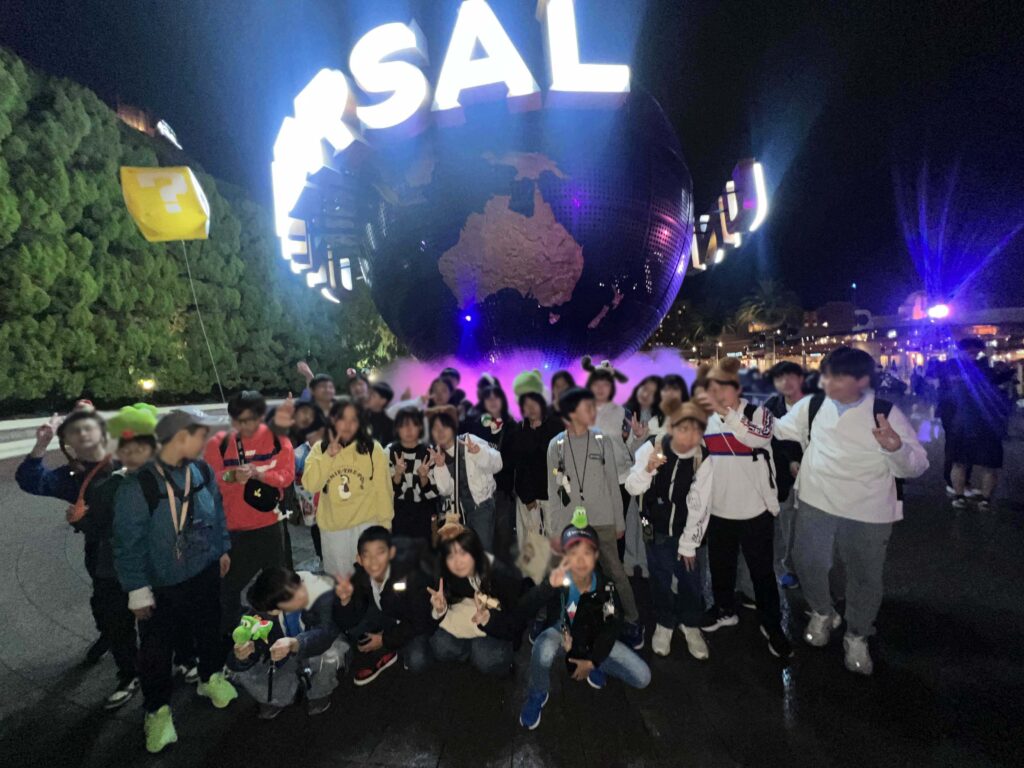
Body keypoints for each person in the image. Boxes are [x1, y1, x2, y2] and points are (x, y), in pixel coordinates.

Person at [774, 347, 929, 675]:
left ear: (861, 380)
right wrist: (737, 415)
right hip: (816, 500)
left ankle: (857, 634)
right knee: (808, 562)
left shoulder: (884, 412)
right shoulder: (813, 405)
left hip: (868, 509)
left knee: (864, 574)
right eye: (826, 376)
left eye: (837, 377)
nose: (827, 383)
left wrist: (896, 448)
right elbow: (779, 428)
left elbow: (916, 466)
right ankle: (822, 611)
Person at [113, 407, 237, 754]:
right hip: (161, 584)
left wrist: (222, 548)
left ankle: (210, 676)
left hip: (204, 570)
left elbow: (217, 512)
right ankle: (157, 711)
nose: (206, 442)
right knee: (156, 650)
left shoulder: (201, 470)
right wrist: (137, 590)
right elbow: (127, 544)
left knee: (209, 628)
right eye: (200, 436)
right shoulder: (138, 485)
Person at [16, 403, 146, 710]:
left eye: (88, 427)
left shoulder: (131, 458)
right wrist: (41, 445)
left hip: (143, 551)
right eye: (74, 433)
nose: (83, 436)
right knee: (110, 612)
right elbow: (32, 480)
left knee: (154, 613)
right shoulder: (74, 475)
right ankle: (128, 669)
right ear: (68, 444)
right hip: (103, 556)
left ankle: (177, 661)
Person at [694, 357, 790, 659]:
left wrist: (728, 415)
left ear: (736, 388)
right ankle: (725, 609)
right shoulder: (706, 421)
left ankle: (772, 623)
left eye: (723, 387)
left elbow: (759, 437)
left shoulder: (759, 413)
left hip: (755, 511)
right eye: (712, 388)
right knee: (721, 568)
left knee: (762, 573)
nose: (717, 394)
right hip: (720, 511)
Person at [518, 513, 651, 730]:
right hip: (561, 632)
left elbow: (611, 626)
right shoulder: (559, 578)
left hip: (593, 638)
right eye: (573, 553)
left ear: (596, 555)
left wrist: (593, 660)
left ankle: (592, 662)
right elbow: (524, 608)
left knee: (642, 676)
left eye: (586, 553)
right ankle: (538, 692)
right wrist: (547, 587)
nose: (580, 561)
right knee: (542, 648)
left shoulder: (606, 588)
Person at [547, 388, 644, 650]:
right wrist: (555, 531)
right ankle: (574, 620)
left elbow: (613, 484)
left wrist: (619, 523)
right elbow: (554, 492)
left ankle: (633, 619)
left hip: (602, 520)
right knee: (572, 574)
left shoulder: (601, 440)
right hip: (571, 526)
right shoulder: (555, 446)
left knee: (615, 571)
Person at [205, 391, 295, 641]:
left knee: (277, 587)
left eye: (251, 419)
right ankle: (233, 637)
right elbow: (210, 481)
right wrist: (232, 476)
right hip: (235, 529)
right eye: (239, 420)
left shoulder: (277, 439)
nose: (245, 426)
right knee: (228, 588)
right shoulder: (218, 443)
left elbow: (287, 475)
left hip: (270, 526)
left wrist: (260, 474)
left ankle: (277, 637)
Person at [625, 400, 712, 660]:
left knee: (690, 579)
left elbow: (701, 504)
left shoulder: (702, 457)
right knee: (659, 577)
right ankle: (664, 623)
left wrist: (688, 545)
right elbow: (632, 486)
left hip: (688, 529)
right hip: (653, 526)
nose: (687, 437)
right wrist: (648, 470)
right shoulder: (654, 446)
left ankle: (690, 623)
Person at [228, 567, 346, 718]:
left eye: (274, 611)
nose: (269, 614)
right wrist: (242, 656)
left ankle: (319, 691)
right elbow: (250, 638)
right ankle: (277, 696)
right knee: (241, 668)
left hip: (314, 648)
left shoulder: (324, 592)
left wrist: (295, 644)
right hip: (282, 655)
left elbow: (326, 633)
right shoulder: (267, 600)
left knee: (331, 654)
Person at [301, 398, 394, 577]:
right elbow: (310, 484)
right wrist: (328, 457)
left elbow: (383, 491)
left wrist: (385, 526)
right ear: (333, 420)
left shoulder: (372, 448)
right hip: (334, 530)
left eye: (354, 419)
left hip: (367, 525)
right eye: (342, 419)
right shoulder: (320, 449)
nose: (348, 425)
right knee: (341, 583)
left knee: (372, 579)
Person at [332, 526, 436, 683]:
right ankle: (389, 648)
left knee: (417, 660)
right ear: (359, 559)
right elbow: (346, 621)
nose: (374, 562)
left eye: (380, 553)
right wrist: (344, 601)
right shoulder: (360, 575)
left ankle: (391, 648)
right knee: (353, 628)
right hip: (388, 615)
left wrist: (384, 639)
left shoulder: (411, 573)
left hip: (412, 621)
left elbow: (420, 620)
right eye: (367, 555)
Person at [426, 524, 522, 676]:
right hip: (469, 623)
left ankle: (498, 661)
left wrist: (489, 620)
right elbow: (428, 620)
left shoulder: (500, 573)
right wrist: (440, 609)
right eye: (450, 556)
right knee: (440, 644)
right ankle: (469, 651)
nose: (457, 562)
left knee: (485, 656)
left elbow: (516, 625)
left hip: (498, 628)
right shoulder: (447, 573)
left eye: (463, 552)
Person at [427, 405, 503, 551]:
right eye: (435, 429)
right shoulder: (435, 455)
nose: (440, 432)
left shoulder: (469, 440)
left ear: (452, 428)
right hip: (456, 513)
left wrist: (478, 452)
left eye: (444, 427)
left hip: (481, 506)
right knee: (461, 551)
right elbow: (445, 490)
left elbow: (498, 465)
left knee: (482, 551)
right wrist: (440, 466)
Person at [946, 338, 1010, 510]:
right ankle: (960, 495)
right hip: (966, 421)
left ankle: (984, 499)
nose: (972, 354)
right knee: (960, 462)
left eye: (975, 351)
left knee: (988, 464)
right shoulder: (954, 367)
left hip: (983, 422)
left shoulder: (984, 368)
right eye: (969, 350)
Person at [764, 361, 807, 588]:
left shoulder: (815, 405)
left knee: (812, 526)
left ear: (801, 378)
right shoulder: (772, 405)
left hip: (815, 476)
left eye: (791, 376)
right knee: (788, 525)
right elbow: (770, 439)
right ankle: (790, 568)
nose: (786, 382)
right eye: (780, 378)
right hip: (784, 478)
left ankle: (816, 571)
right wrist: (789, 460)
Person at [465, 385, 520, 562]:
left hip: (502, 491)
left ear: (503, 400)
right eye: (488, 398)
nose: (493, 401)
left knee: (502, 538)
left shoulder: (512, 426)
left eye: (496, 397)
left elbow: (512, 460)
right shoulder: (476, 427)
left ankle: (501, 574)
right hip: (480, 493)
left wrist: (491, 462)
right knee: (481, 540)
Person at [509, 387, 563, 562]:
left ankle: (556, 573)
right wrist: (527, 497)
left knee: (554, 536)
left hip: (551, 494)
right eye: (526, 405)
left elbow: (561, 461)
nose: (531, 408)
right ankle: (532, 573)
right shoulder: (519, 430)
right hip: (527, 496)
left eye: (534, 404)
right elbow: (518, 465)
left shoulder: (556, 426)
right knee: (529, 539)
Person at [387, 407, 440, 543]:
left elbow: (434, 492)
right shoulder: (390, 451)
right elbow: (386, 491)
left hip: (422, 513)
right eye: (404, 425)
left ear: (420, 427)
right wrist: (397, 474)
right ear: (397, 428)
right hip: (397, 513)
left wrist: (423, 477)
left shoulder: (429, 451)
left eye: (414, 425)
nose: (409, 430)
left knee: (422, 552)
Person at [648, 373, 689, 440]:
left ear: (683, 393)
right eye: (666, 389)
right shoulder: (654, 422)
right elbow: (645, 446)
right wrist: (640, 437)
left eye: (675, 389)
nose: (670, 393)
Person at [366, 380, 395, 447]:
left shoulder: (389, 425)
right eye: (369, 394)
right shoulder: (360, 416)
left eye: (373, 395)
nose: (368, 397)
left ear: (383, 401)